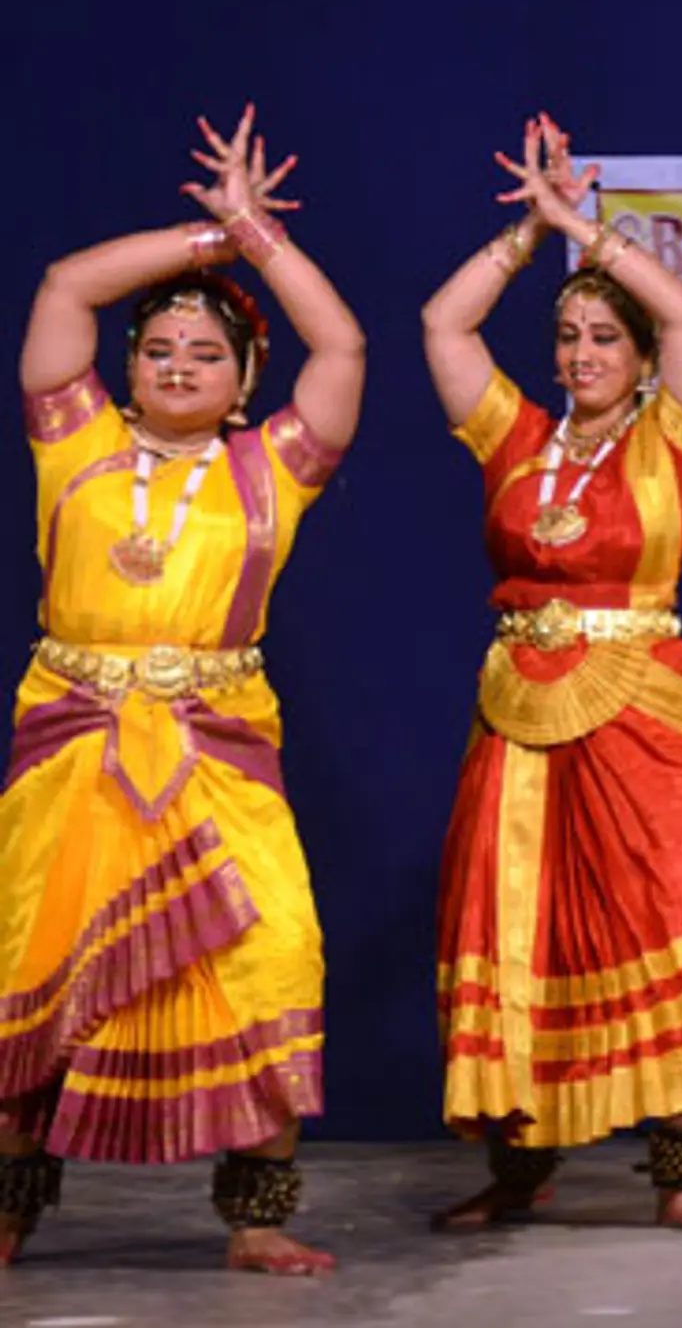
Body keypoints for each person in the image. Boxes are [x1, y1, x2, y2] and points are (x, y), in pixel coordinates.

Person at [0, 105, 363, 1274]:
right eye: (156, 348)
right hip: (73, 738)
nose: (174, 364)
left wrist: (258, 238)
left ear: (246, 377)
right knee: (34, 966)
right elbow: (64, 286)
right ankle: (8, 1207)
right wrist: (201, 244)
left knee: (268, 957)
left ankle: (255, 1216)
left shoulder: (272, 471)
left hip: (214, 743)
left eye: (205, 351)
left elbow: (343, 348)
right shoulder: (74, 438)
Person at [423, 115, 682, 1235]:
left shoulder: (674, 437)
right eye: (567, 336)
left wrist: (584, 230)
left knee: (670, 906)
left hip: (645, 701)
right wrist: (525, 237)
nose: (580, 354)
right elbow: (442, 321)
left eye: (603, 337)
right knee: (519, 920)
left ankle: (681, 1174)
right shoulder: (515, 437)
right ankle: (520, 1169)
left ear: (641, 357)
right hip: (517, 710)